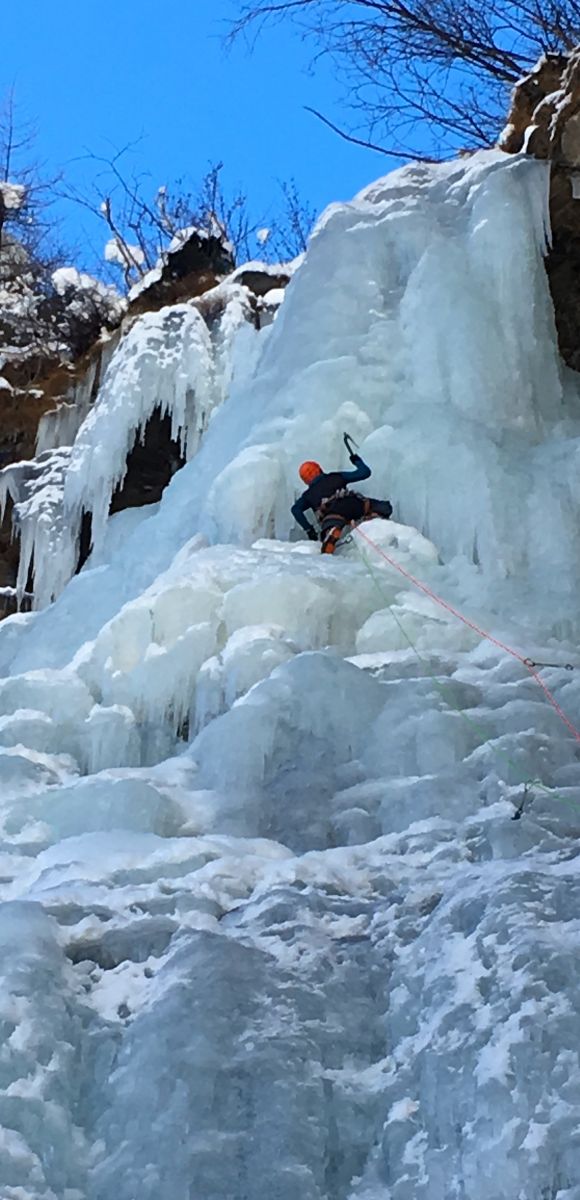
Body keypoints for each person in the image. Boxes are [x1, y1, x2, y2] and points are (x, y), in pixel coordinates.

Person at [291, 442, 393, 554]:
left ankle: (331, 531)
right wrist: (356, 460)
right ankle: (373, 516)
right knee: (382, 507)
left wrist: (309, 530)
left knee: (329, 526)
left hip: (332, 513)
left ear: (305, 480)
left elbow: (295, 510)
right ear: (319, 469)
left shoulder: (308, 495)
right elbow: (364, 473)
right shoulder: (336, 476)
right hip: (352, 503)